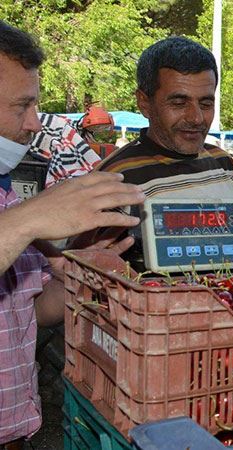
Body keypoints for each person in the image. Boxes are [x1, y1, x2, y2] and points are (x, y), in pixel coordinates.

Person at [0, 21, 145, 448]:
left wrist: (74, 276)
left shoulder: (5, 196)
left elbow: (26, 313)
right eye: (20, 106)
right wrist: (30, 219)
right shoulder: (18, 213)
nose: (33, 124)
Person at [97, 36, 233, 271]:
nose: (196, 118)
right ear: (145, 103)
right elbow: (97, 271)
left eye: (205, 104)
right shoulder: (114, 178)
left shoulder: (223, 163)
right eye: (178, 103)